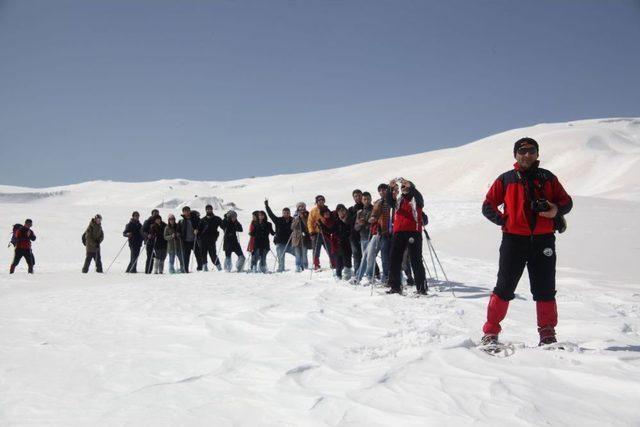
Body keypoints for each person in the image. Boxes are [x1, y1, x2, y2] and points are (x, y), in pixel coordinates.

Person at [481, 137, 573, 346]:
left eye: (532, 151)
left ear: (537, 154)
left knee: (545, 289)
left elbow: (567, 202)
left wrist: (555, 210)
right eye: (522, 151)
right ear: (515, 155)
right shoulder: (506, 179)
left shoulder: (548, 178)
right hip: (513, 241)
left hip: (544, 240)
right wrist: (505, 220)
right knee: (504, 287)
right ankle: (491, 332)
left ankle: (547, 333)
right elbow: (488, 205)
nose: (527, 155)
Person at [386, 178, 427, 295]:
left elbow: (420, 199)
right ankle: (395, 287)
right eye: (402, 187)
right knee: (394, 259)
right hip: (398, 232)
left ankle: (421, 288)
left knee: (415, 260)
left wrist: (411, 187)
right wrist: (390, 188)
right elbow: (389, 201)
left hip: (413, 232)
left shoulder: (416, 199)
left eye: (406, 187)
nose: (403, 188)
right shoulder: (399, 201)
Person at [357, 184, 392, 284]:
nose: (382, 192)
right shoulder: (378, 203)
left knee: (386, 257)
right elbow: (374, 214)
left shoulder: (392, 201)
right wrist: (371, 219)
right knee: (367, 255)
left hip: (388, 232)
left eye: (384, 190)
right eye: (380, 190)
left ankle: (387, 276)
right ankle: (361, 276)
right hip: (378, 232)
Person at [320, 205, 353, 280]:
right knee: (339, 261)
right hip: (338, 244)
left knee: (347, 260)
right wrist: (321, 226)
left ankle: (347, 276)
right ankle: (338, 276)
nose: (342, 213)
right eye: (339, 211)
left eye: (343, 210)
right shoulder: (337, 221)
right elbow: (330, 230)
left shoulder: (350, 219)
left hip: (348, 244)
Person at [265, 199, 294, 272]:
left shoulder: (293, 220)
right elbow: (270, 214)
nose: (286, 214)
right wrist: (267, 206)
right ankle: (281, 269)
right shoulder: (278, 220)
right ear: (282, 213)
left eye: (287, 213)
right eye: (284, 213)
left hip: (290, 243)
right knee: (281, 258)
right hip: (280, 243)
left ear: (289, 213)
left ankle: (300, 267)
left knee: (298, 253)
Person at [307, 195, 333, 270]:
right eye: (319, 200)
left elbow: (330, 220)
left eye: (322, 200)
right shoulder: (313, 211)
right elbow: (309, 222)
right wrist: (311, 232)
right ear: (316, 202)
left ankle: (333, 263)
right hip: (316, 233)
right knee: (316, 250)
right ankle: (316, 264)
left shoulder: (327, 209)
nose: (321, 202)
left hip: (326, 232)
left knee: (330, 249)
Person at [354, 191, 374, 281]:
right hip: (363, 238)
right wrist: (360, 224)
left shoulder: (374, 210)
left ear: (371, 199)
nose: (366, 201)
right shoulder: (360, 212)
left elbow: (375, 223)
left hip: (372, 237)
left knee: (368, 257)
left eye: (368, 199)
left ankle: (363, 276)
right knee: (365, 257)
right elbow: (356, 227)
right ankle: (366, 275)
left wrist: (366, 223)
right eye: (364, 199)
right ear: (362, 200)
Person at [197, 204, 223, 271]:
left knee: (213, 255)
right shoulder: (202, 220)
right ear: (206, 210)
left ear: (212, 209)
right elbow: (199, 229)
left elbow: (223, 225)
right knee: (203, 254)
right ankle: (205, 268)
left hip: (212, 240)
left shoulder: (217, 219)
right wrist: (196, 231)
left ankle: (219, 267)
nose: (209, 210)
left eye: (210, 209)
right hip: (203, 240)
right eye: (207, 209)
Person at [178, 206, 200, 273]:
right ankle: (186, 269)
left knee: (198, 255)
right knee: (186, 257)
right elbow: (178, 230)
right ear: (183, 212)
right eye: (185, 211)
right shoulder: (181, 221)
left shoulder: (195, 219)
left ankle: (200, 268)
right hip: (185, 241)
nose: (186, 212)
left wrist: (197, 230)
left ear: (190, 211)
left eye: (188, 211)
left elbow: (200, 226)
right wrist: (178, 234)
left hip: (194, 240)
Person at [290, 202, 311, 272]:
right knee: (297, 253)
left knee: (304, 253)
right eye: (300, 207)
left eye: (302, 206)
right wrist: (297, 220)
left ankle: (305, 265)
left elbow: (308, 225)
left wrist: (302, 218)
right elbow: (292, 227)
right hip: (296, 237)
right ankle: (298, 266)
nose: (301, 208)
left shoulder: (308, 214)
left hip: (305, 237)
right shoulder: (295, 216)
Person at [347, 189, 364, 274]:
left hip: (365, 235)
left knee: (367, 254)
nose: (358, 197)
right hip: (354, 236)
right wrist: (356, 215)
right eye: (356, 196)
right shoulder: (351, 209)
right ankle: (357, 273)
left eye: (359, 195)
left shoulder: (367, 206)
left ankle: (375, 272)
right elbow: (348, 222)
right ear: (353, 198)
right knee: (356, 255)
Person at [141, 209, 159, 274]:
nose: (156, 214)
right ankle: (148, 271)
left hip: (157, 242)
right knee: (149, 256)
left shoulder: (159, 221)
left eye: (157, 213)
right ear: (152, 214)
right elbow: (142, 231)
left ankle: (155, 270)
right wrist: (147, 235)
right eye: (155, 213)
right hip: (149, 241)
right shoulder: (147, 221)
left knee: (156, 256)